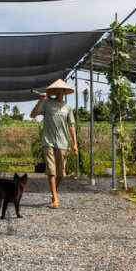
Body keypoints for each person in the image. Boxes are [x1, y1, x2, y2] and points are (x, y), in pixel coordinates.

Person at [30, 78, 77, 209]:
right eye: (57, 89)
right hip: (48, 141)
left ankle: (54, 192)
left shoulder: (68, 108)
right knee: (51, 170)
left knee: (60, 173)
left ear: (64, 91)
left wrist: (75, 144)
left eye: (61, 89)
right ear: (54, 91)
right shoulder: (47, 104)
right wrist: (40, 100)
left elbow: (71, 126)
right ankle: (55, 198)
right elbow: (32, 115)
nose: (59, 91)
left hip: (63, 142)